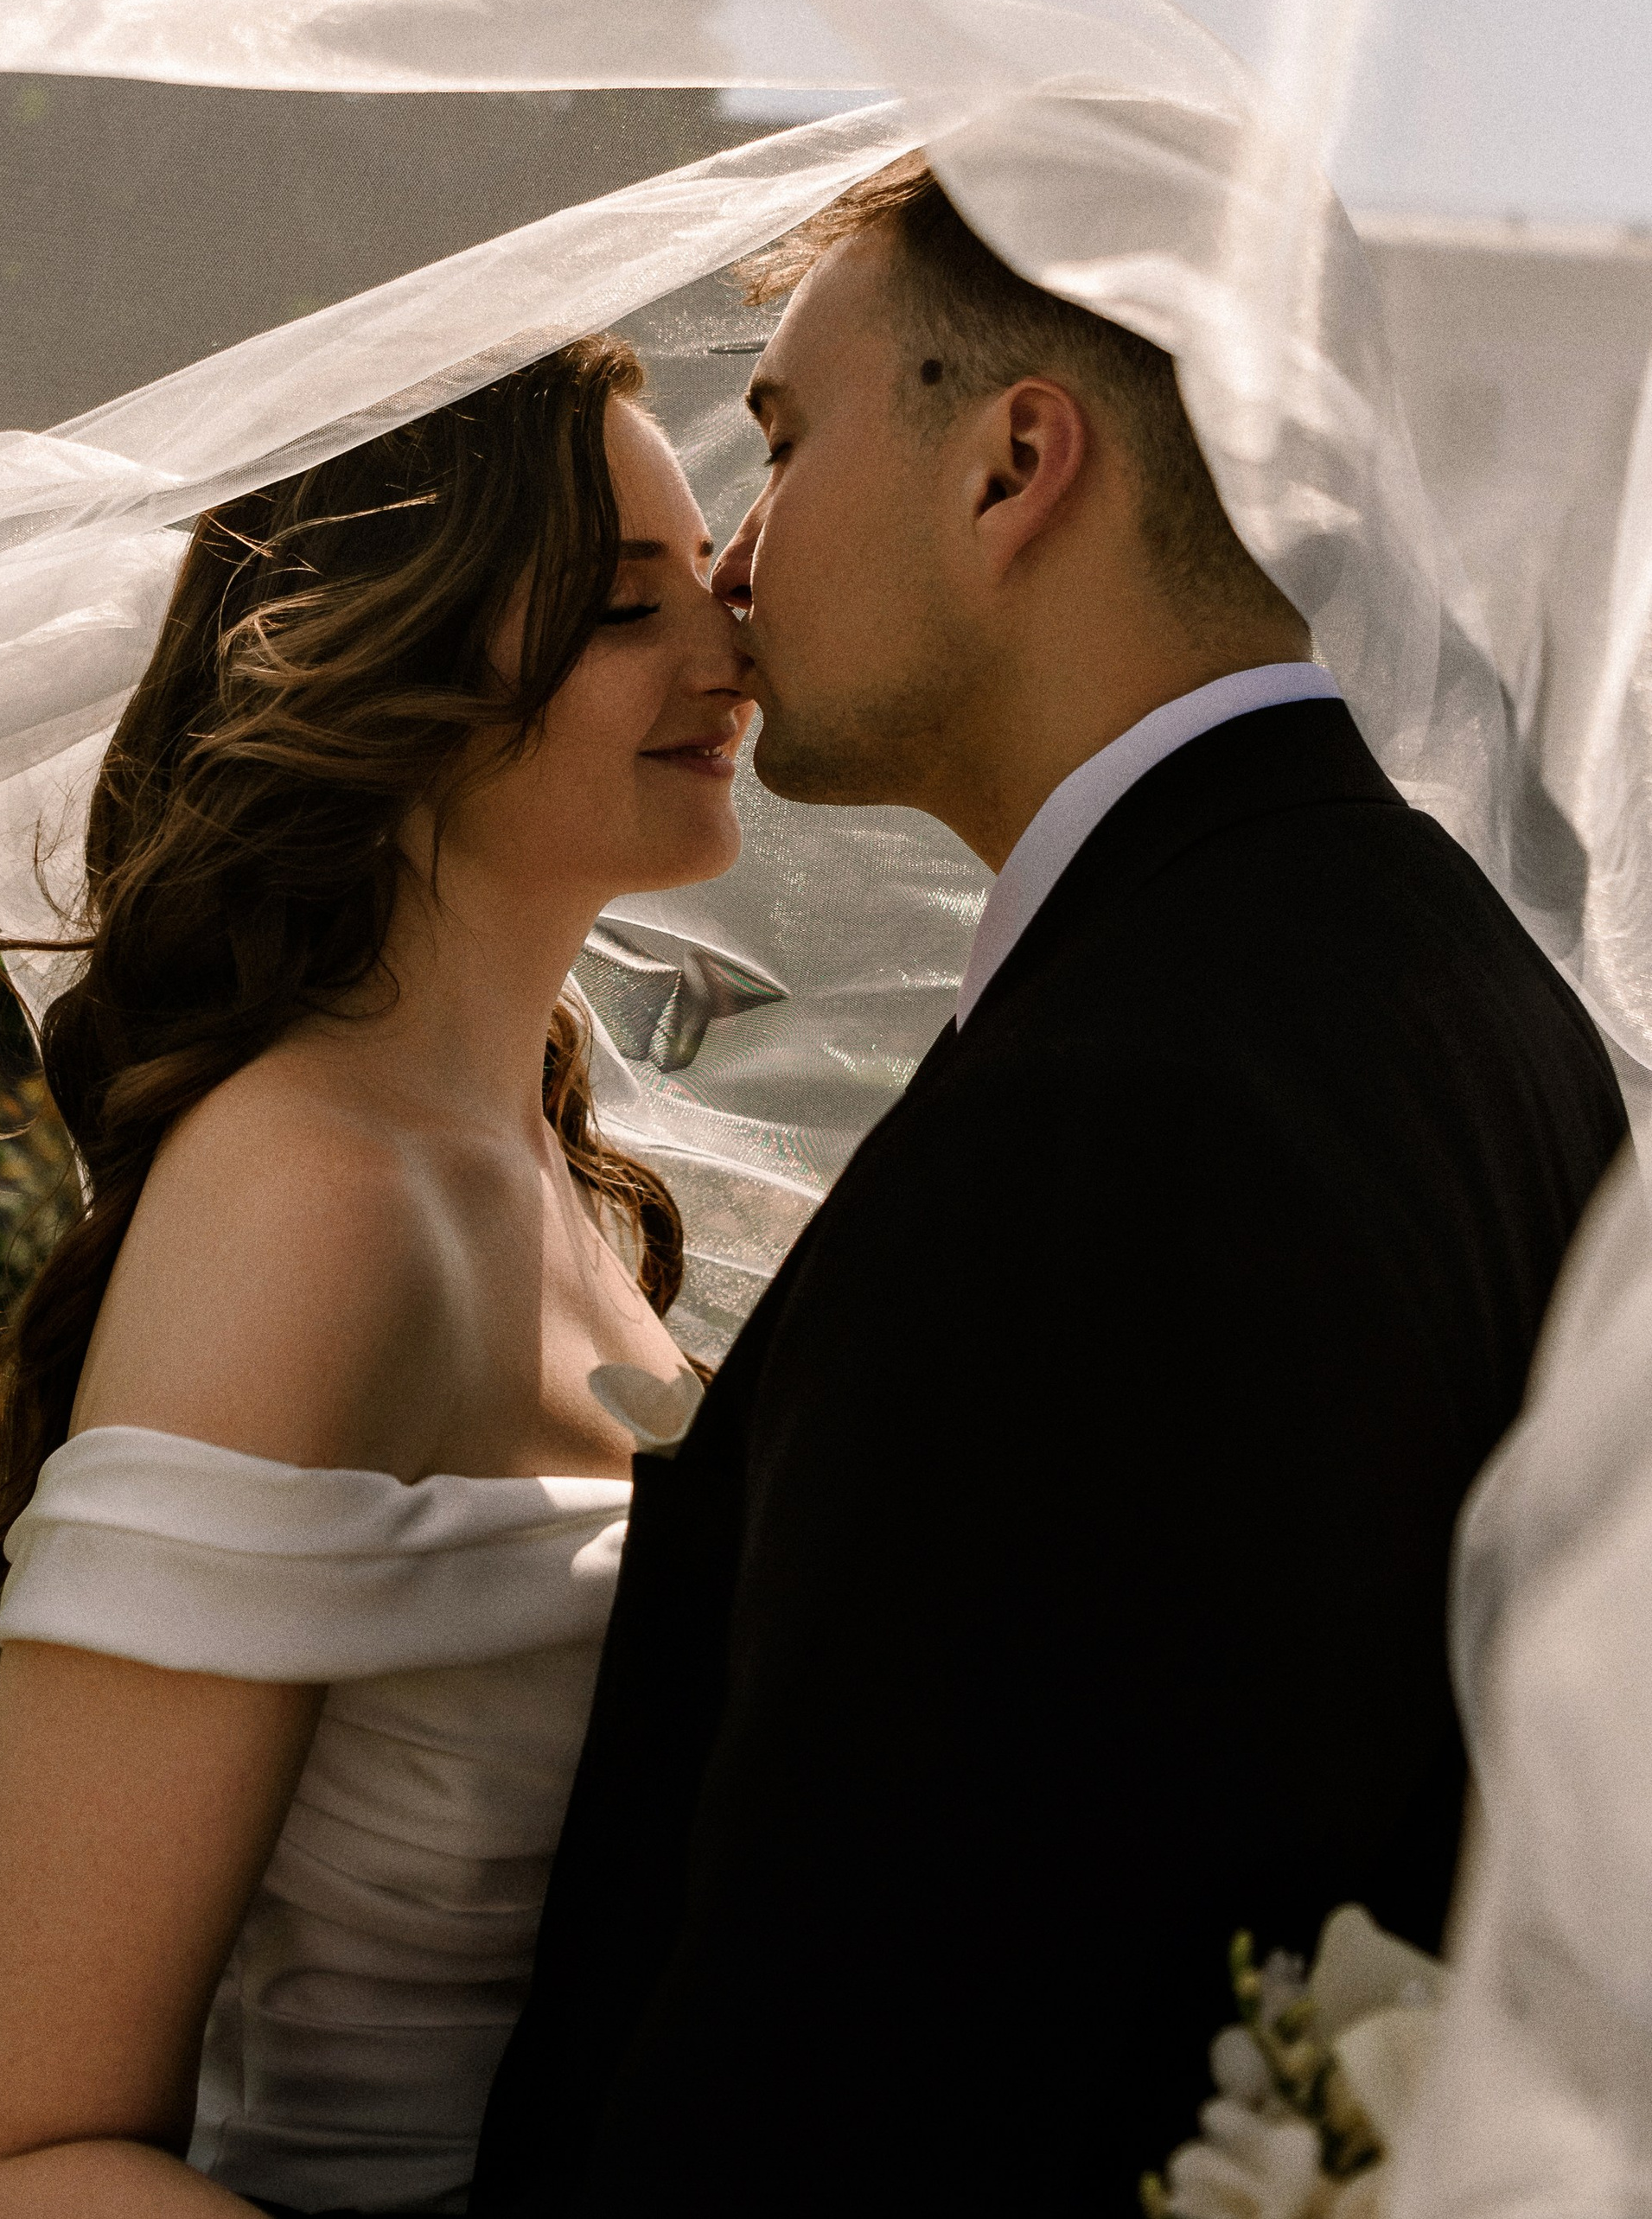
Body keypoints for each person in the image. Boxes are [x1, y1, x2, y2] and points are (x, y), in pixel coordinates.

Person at [471, 158, 1626, 2214]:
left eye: (788, 443)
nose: (733, 563)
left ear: (1014, 465)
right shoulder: (1448, 980)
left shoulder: (1123, 1119)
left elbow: (889, 2042)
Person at [0, 334, 754, 2218]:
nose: (728, 655)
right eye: (627, 608)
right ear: (405, 681)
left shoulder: (545, 1165)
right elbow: (2, 2167)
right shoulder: (311, 1200)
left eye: (713, 578)